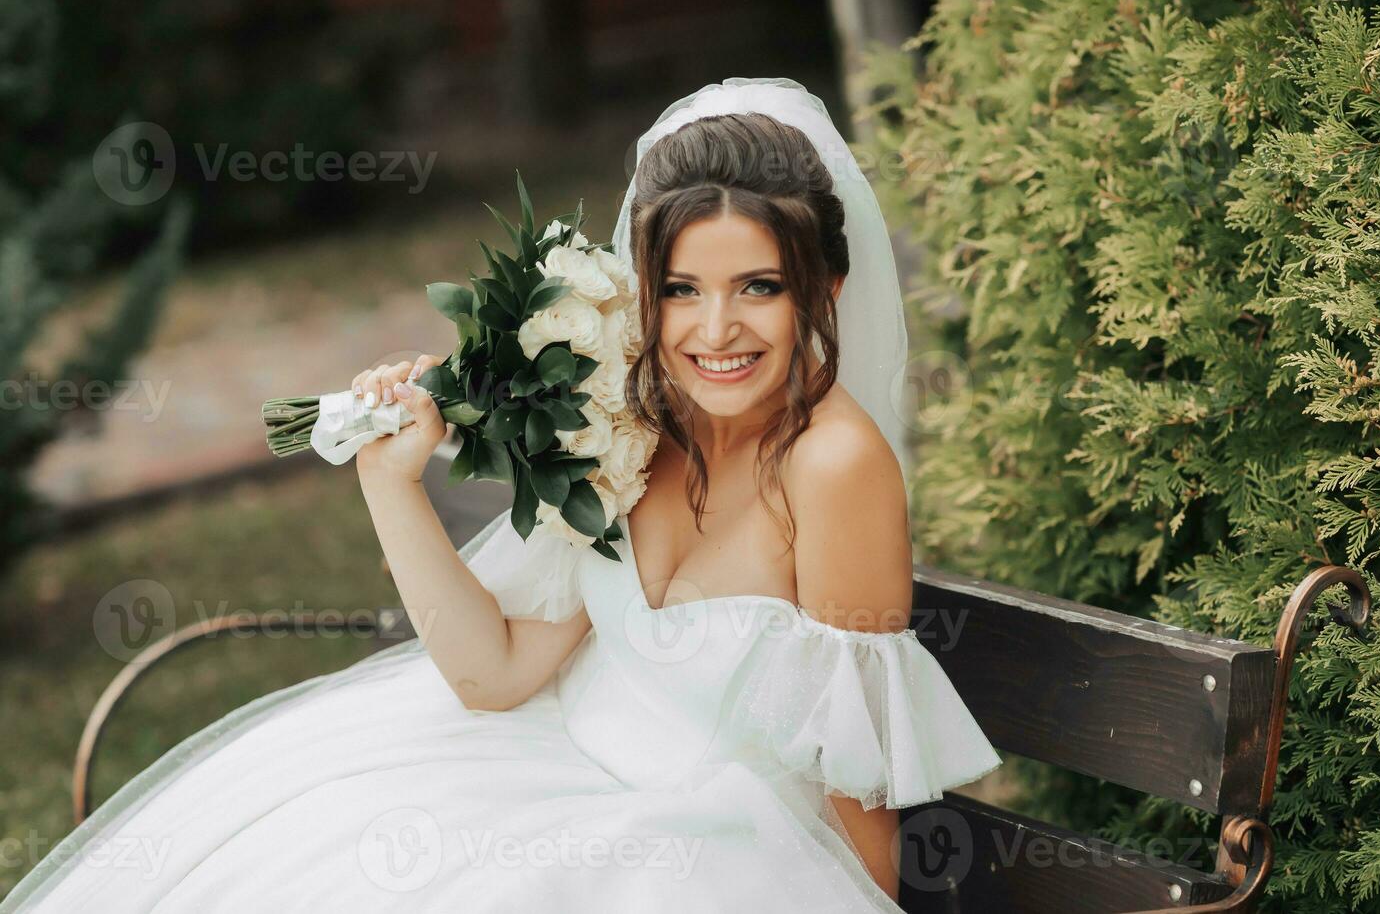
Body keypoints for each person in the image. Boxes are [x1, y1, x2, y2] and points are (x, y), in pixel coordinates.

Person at [0, 78, 1001, 913]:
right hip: (548, 767)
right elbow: (498, 672)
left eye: (761, 286)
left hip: (715, 856)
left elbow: (857, 775)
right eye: (683, 289)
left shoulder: (832, 466)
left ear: (823, 288)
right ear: (639, 287)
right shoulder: (628, 412)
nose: (717, 330)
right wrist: (392, 484)